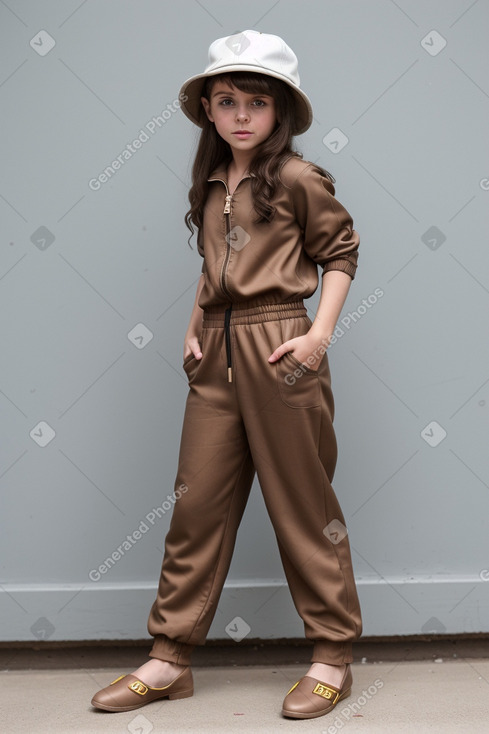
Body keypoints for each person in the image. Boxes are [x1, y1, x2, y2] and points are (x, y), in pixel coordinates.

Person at [91, 29, 363, 720]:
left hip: (281, 343)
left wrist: (317, 337)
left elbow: (340, 255)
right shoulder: (212, 182)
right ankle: (168, 658)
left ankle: (331, 656)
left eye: (256, 101)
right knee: (195, 505)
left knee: (303, 506)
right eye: (226, 100)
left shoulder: (301, 179)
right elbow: (214, 266)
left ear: (280, 112)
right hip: (215, 349)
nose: (241, 114)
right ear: (209, 112)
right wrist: (194, 323)